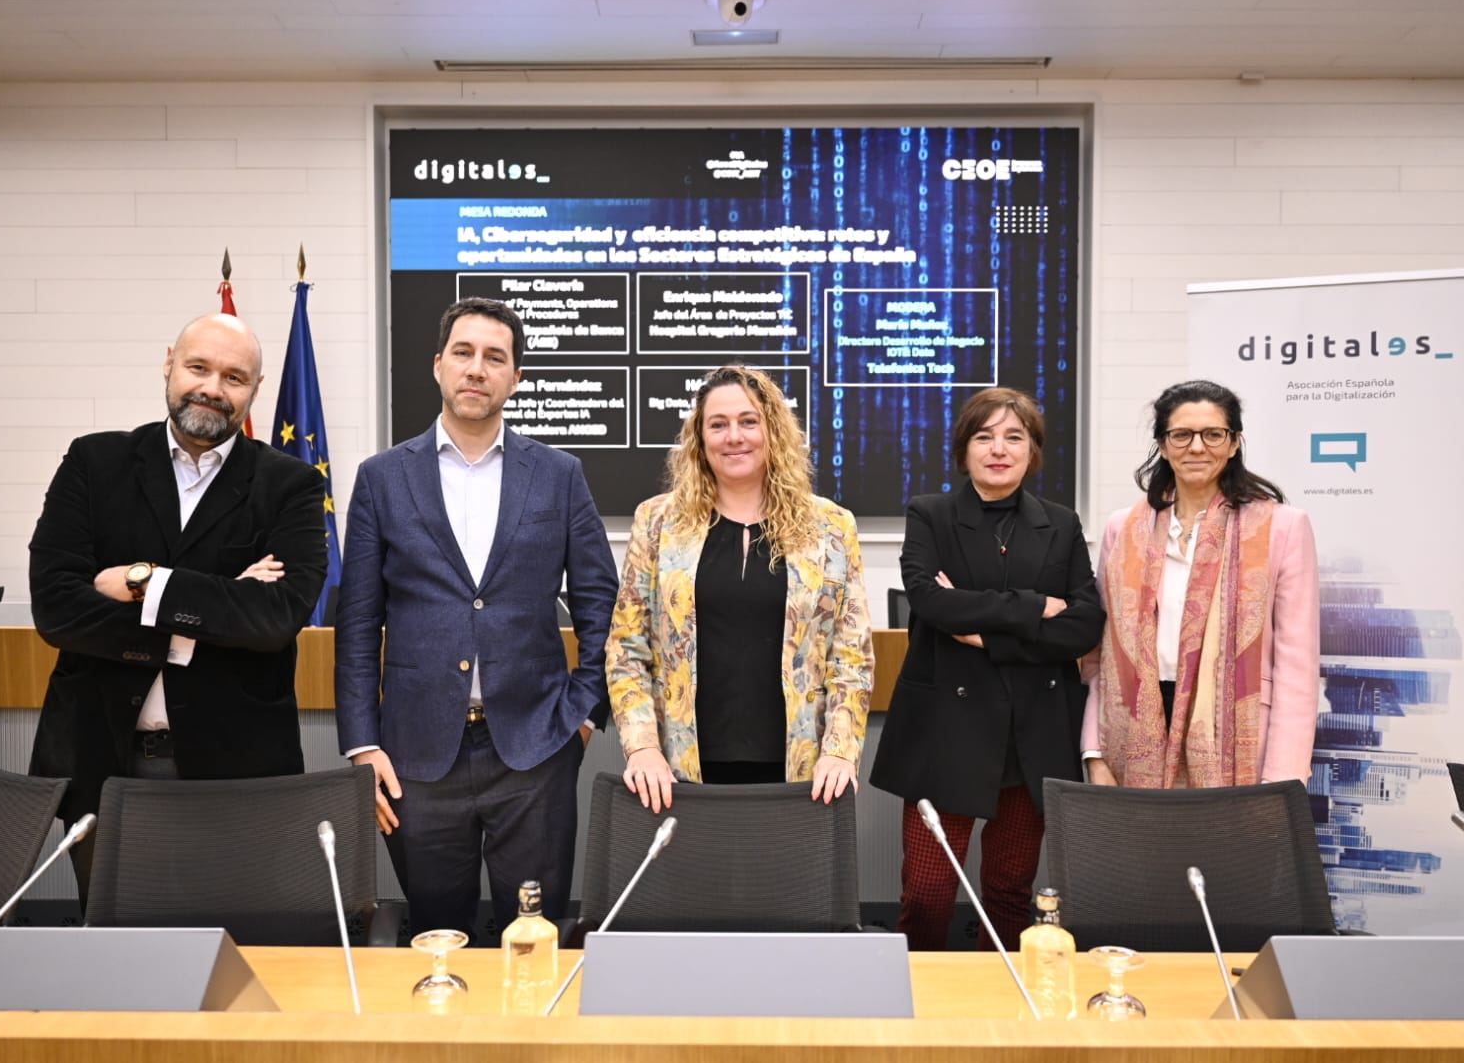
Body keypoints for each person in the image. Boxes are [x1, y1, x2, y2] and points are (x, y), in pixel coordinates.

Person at [335, 297, 618, 937]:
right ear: (438, 366)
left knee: (534, 935)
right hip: (414, 757)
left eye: (495, 358)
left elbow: (602, 606)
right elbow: (356, 625)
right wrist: (362, 743)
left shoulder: (559, 475)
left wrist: (579, 716)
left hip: (535, 750)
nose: (476, 369)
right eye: (463, 353)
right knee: (438, 936)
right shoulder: (381, 479)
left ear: (514, 378)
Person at [28, 313, 328, 902]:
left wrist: (146, 581)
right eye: (198, 367)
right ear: (170, 363)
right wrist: (213, 610)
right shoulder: (94, 463)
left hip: (236, 772)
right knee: (115, 953)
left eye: (234, 377)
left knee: (231, 954)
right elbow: (58, 608)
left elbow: (275, 619)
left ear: (255, 391)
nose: (213, 388)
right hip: (102, 762)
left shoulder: (288, 485)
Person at [869, 387, 1104, 951]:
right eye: (984, 436)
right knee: (926, 891)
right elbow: (930, 602)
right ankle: (916, 1008)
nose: (999, 449)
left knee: (1006, 892)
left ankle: (997, 1014)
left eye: (1014, 437)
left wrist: (982, 633)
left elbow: (1084, 625)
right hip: (946, 732)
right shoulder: (932, 514)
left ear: (1033, 450)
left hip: (1034, 735)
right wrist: (1033, 609)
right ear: (964, 448)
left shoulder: (1062, 523)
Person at [607, 364, 873, 810]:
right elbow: (626, 648)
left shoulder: (831, 527)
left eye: (749, 422)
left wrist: (840, 751)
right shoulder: (656, 522)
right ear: (700, 438)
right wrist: (642, 747)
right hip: (679, 775)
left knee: (786, 883)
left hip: (801, 776)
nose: (734, 436)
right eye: (718, 424)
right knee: (693, 883)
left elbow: (851, 657)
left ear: (773, 432)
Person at [1083, 379, 1320, 789]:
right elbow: (1102, 655)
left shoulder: (1282, 526)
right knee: (1144, 853)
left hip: (1237, 741)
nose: (1197, 447)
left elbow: (1297, 665)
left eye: (1213, 434)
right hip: (1135, 734)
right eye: (1181, 435)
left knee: (1222, 853)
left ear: (1234, 443)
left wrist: (1283, 777)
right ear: (1162, 443)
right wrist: (1095, 751)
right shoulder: (1122, 529)